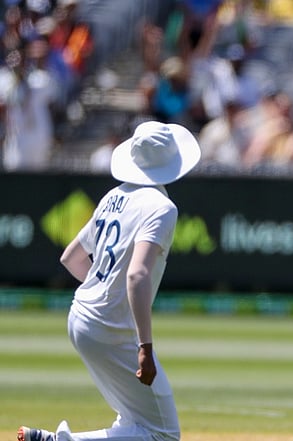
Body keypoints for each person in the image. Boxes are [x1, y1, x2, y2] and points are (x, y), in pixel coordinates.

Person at [17, 121, 200, 441]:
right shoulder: (162, 207)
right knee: (163, 435)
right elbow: (137, 274)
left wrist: (105, 293)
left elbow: (71, 258)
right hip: (111, 328)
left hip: (80, 317)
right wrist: (145, 346)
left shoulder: (113, 196)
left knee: (131, 421)